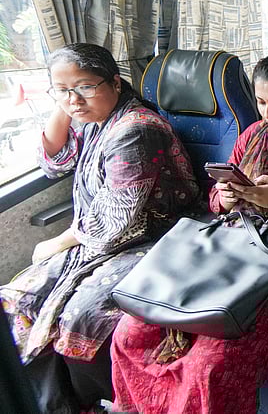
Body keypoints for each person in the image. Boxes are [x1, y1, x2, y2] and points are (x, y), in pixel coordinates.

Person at [110, 53, 268, 413]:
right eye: (262, 103)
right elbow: (214, 200)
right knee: (130, 334)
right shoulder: (252, 136)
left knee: (210, 364)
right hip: (230, 250)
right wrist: (226, 197)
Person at [0, 43, 200, 413]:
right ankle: (51, 400)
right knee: (20, 296)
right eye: (61, 89)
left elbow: (117, 217)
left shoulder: (137, 130)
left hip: (155, 237)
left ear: (116, 83)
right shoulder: (98, 122)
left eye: (85, 86)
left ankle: (99, 400)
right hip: (102, 239)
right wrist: (65, 105)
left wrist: (58, 241)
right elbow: (54, 163)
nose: (75, 99)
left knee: (81, 316)